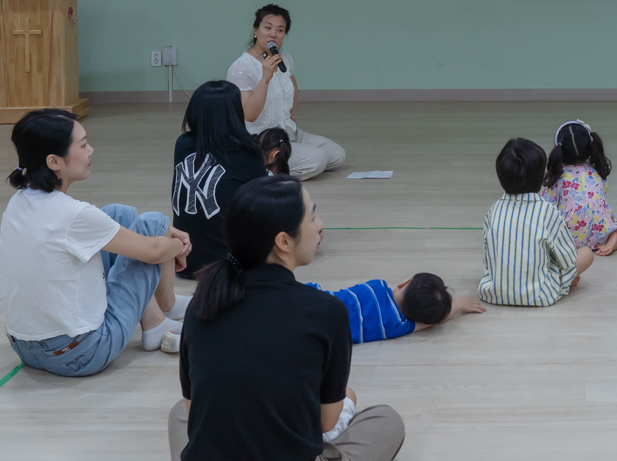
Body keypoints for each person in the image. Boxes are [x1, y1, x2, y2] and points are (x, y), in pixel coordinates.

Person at [168, 175, 406, 460]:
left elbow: (192, 407)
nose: (320, 225)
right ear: (283, 241)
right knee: (386, 420)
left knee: (180, 414)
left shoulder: (202, 304)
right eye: (313, 216)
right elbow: (326, 422)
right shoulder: (327, 310)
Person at [1, 110, 192, 377]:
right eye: (83, 145)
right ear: (54, 161)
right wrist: (177, 245)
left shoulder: (18, 202)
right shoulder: (72, 214)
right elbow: (154, 252)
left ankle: (155, 319)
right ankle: (165, 308)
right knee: (154, 223)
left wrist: (168, 239)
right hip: (82, 354)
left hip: (25, 348)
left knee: (118, 214)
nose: (91, 150)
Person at [227, 4, 346, 180]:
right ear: (256, 30)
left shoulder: (285, 59)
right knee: (318, 160)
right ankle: (257, 169)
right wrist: (265, 79)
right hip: (260, 139)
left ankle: (284, 158)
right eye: (268, 28)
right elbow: (249, 115)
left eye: (280, 30)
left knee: (337, 156)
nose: (273, 34)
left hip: (287, 132)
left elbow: (292, 86)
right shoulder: (241, 67)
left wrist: (293, 120)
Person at [479, 138, 593, 307]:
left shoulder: (494, 210)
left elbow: (488, 258)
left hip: (492, 293)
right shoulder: (548, 211)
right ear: (541, 176)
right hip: (540, 294)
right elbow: (567, 258)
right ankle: (564, 282)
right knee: (587, 253)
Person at [172, 81, 269, 278]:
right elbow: (263, 208)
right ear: (234, 113)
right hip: (227, 267)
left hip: (185, 261)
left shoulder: (183, 144)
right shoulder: (247, 151)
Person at [307, 273, 485, 344]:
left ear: (404, 283)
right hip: (320, 334)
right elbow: (433, 322)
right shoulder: (397, 326)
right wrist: (458, 305)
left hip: (315, 299)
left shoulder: (375, 286)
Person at [541, 120, 617, 256]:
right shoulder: (597, 171)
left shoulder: (556, 177)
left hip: (567, 238)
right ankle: (612, 240)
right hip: (599, 234)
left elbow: (545, 207)